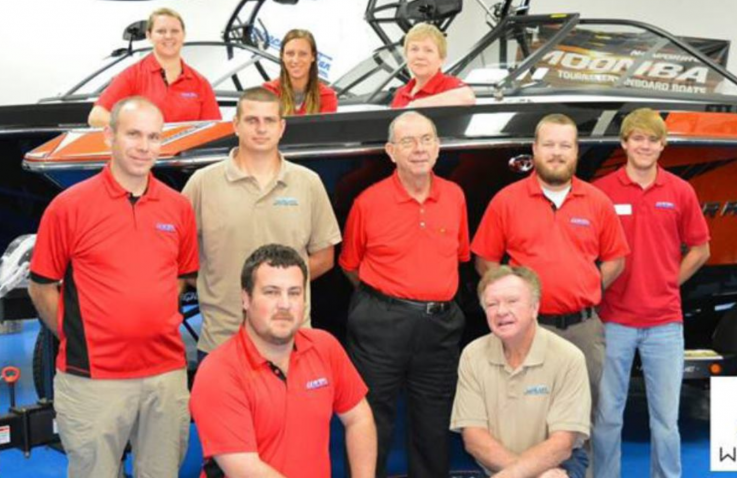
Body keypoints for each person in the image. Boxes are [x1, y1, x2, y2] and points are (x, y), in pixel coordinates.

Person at [28, 96, 198, 478]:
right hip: (94, 379)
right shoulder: (68, 207)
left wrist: (147, 320)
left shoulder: (177, 208)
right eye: (134, 134)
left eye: (153, 137)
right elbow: (42, 287)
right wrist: (80, 334)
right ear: (109, 136)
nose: (144, 146)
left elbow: (181, 275)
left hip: (165, 377)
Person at [339, 111, 470, 477]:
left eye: (426, 139)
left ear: (438, 147)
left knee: (434, 424)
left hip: (440, 326)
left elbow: (459, 257)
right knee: (371, 419)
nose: (419, 149)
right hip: (381, 325)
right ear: (391, 151)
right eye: (408, 142)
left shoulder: (455, 196)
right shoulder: (368, 201)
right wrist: (390, 300)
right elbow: (350, 264)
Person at [471, 113, 629, 412]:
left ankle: (579, 461)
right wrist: (512, 305)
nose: (556, 153)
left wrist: (587, 286)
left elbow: (616, 260)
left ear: (576, 151)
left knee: (582, 419)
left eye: (565, 145)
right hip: (525, 330)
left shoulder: (597, 201)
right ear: (534, 149)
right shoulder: (506, 201)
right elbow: (485, 262)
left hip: (583, 331)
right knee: (523, 416)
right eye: (549, 144)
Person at [591, 108, 710, 478]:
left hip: (664, 324)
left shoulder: (680, 191)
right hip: (613, 321)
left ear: (663, 145)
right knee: (607, 417)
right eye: (637, 138)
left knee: (666, 420)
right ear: (624, 143)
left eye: (652, 139)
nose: (644, 145)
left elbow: (701, 249)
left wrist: (668, 281)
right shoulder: (601, 192)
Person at [182, 87, 341, 361]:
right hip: (222, 339)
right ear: (235, 125)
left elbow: (324, 258)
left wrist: (273, 287)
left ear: (281, 128)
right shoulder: (202, 183)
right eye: (252, 120)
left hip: (290, 339)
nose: (261, 128)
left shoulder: (308, 183)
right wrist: (218, 284)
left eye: (269, 121)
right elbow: (179, 257)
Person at [190, 244, 377, 477]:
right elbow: (243, 468)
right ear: (245, 299)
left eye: (294, 292)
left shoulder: (324, 347)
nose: (285, 304)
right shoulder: (218, 371)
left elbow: (359, 417)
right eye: (271, 292)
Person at [452, 265, 592, 478]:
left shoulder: (568, 358)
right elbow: (474, 438)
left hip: (558, 464)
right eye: (492, 304)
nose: (501, 311)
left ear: (534, 308)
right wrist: (523, 472)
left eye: (512, 301)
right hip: (495, 466)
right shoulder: (472, 355)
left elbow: (562, 443)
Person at [87, 8, 221, 127]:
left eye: (175, 31)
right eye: (161, 31)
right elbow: (96, 116)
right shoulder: (133, 75)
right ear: (149, 36)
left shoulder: (200, 83)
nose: (168, 36)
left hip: (184, 154)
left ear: (183, 35)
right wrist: (136, 130)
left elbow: (213, 127)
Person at [390, 23, 475, 108]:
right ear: (406, 56)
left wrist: (416, 105)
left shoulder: (450, 85)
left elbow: (467, 98)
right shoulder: (401, 94)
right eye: (414, 49)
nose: (420, 56)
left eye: (428, 50)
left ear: (441, 59)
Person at [263, 29, 337, 115]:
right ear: (282, 56)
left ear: (313, 57)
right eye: (290, 53)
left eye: (303, 54)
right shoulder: (268, 92)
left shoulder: (326, 95)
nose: (296, 60)